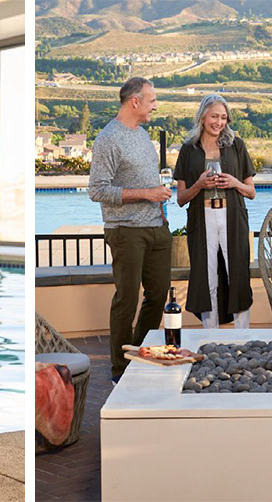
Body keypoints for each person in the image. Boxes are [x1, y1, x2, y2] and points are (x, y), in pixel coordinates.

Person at [88, 76, 172, 383]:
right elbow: (97, 190)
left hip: (156, 227)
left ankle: (139, 354)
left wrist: (159, 202)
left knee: (158, 295)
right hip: (126, 231)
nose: (155, 105)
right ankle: (120, 371)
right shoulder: (108, 139)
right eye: (151, 99)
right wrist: (147, 194)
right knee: (126, 298)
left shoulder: (142, 135)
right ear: (134, 101)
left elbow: (148, 181)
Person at [172, 94, 256, 329]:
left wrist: (234, 183)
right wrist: (199, 185)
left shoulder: (236, 145)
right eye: (214, 116)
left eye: (223, 117)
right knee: (206, 276)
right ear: (202, 117)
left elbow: (251, 192)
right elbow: (181, 198)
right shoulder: (189, 149)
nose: (219, 122)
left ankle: (243, 335)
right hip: (202, 219)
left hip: (232, 217)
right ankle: (211, 335)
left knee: (237, 275)